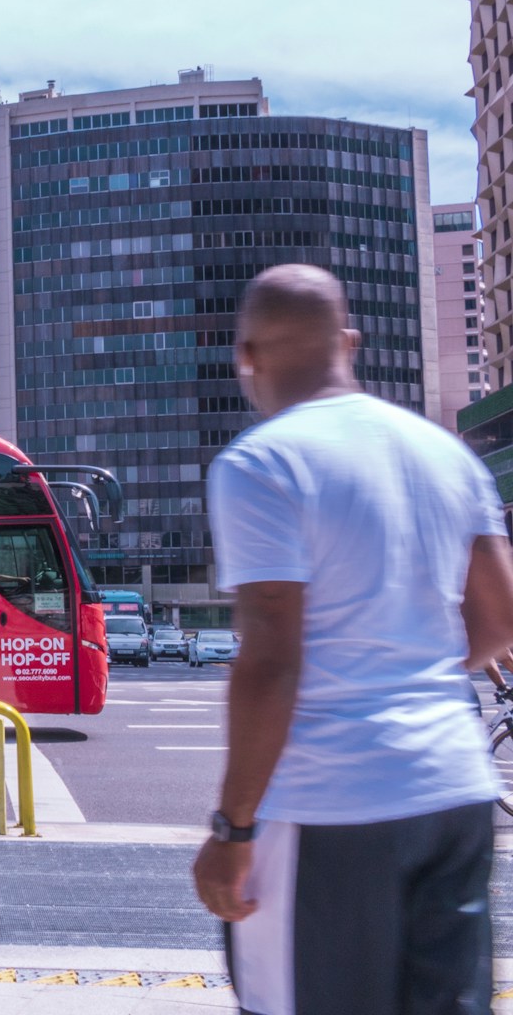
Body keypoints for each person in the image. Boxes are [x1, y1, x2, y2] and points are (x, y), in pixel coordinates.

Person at [191, 264, 513, 1014]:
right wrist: (407, 665)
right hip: (456, 790)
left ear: (247, 355)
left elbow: (271, 658)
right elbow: (499, 620)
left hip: (332, 806)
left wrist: (231, 828)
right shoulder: (445, 454)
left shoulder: (261, 463)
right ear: (349, 341)